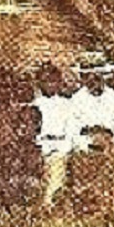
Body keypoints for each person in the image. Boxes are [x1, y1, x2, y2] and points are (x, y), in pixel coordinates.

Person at [30, 64, 80, 206]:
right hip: (38, 147)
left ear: (59, 83)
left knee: (56, 165)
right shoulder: (36, 104)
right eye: (46, 81)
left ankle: (49, 203)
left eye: (53, 81)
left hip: (59, 147)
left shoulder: (66, 105)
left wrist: (61, 148)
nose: (50, 85)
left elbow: (71, 130)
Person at [68, 52, 114, 153]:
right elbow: (73, 129)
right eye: (86, 77)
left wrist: (113, 143)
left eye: (96, 78)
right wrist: (87, 143)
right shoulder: (77, 99)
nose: (92, 82)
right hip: (85, 147)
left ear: (103, 77)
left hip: (110, 146)